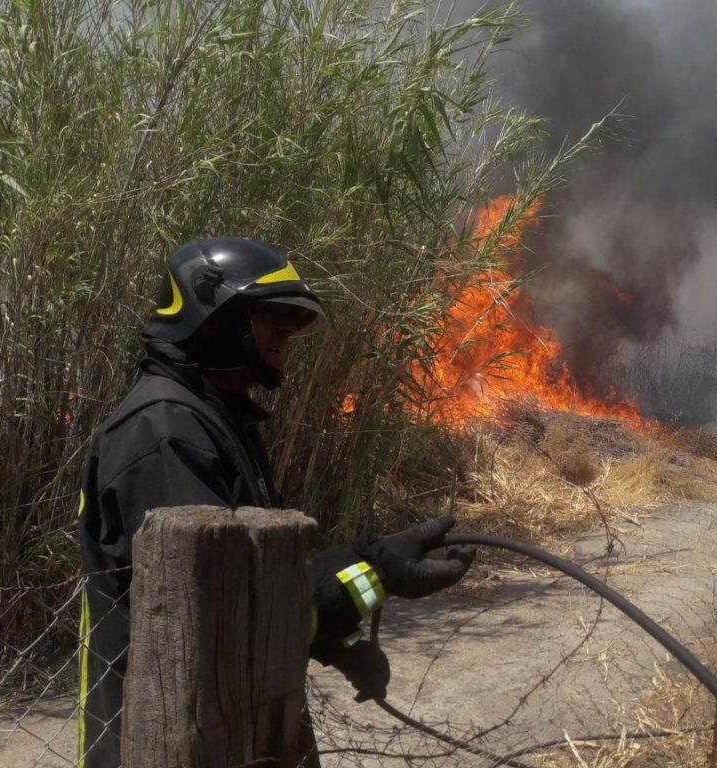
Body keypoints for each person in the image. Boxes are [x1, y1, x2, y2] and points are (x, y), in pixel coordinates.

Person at [77, 237, 474, 767]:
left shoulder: (215, 415)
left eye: (294, 318)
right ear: (212, 321)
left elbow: (259, 572)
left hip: (227, 716)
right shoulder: (165, 431)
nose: (289, 331)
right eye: (271, 315)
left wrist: (340, 643)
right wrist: (375, 570)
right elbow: (216, 603)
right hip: (167, 736)